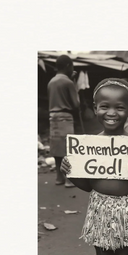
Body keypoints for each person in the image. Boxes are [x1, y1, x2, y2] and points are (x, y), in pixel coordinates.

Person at [60, 78, 128, 255]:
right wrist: (70, 173)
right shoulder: (89, 146)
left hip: (126, 211)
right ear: (95, 107)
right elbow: (88, 186)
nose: (111, 113)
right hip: (100, 209)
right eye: (105, 106)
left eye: (119, 108)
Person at [48, 55, 79, 187]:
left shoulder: (51, 82)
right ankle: (69, 179)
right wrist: (74, 83)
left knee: (56, 148)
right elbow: (76, 104)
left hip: (53, 117)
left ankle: (59, 177)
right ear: (68, 66)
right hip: (65, 117)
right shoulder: (68, 82)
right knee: (69, 148)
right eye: (71, 66)